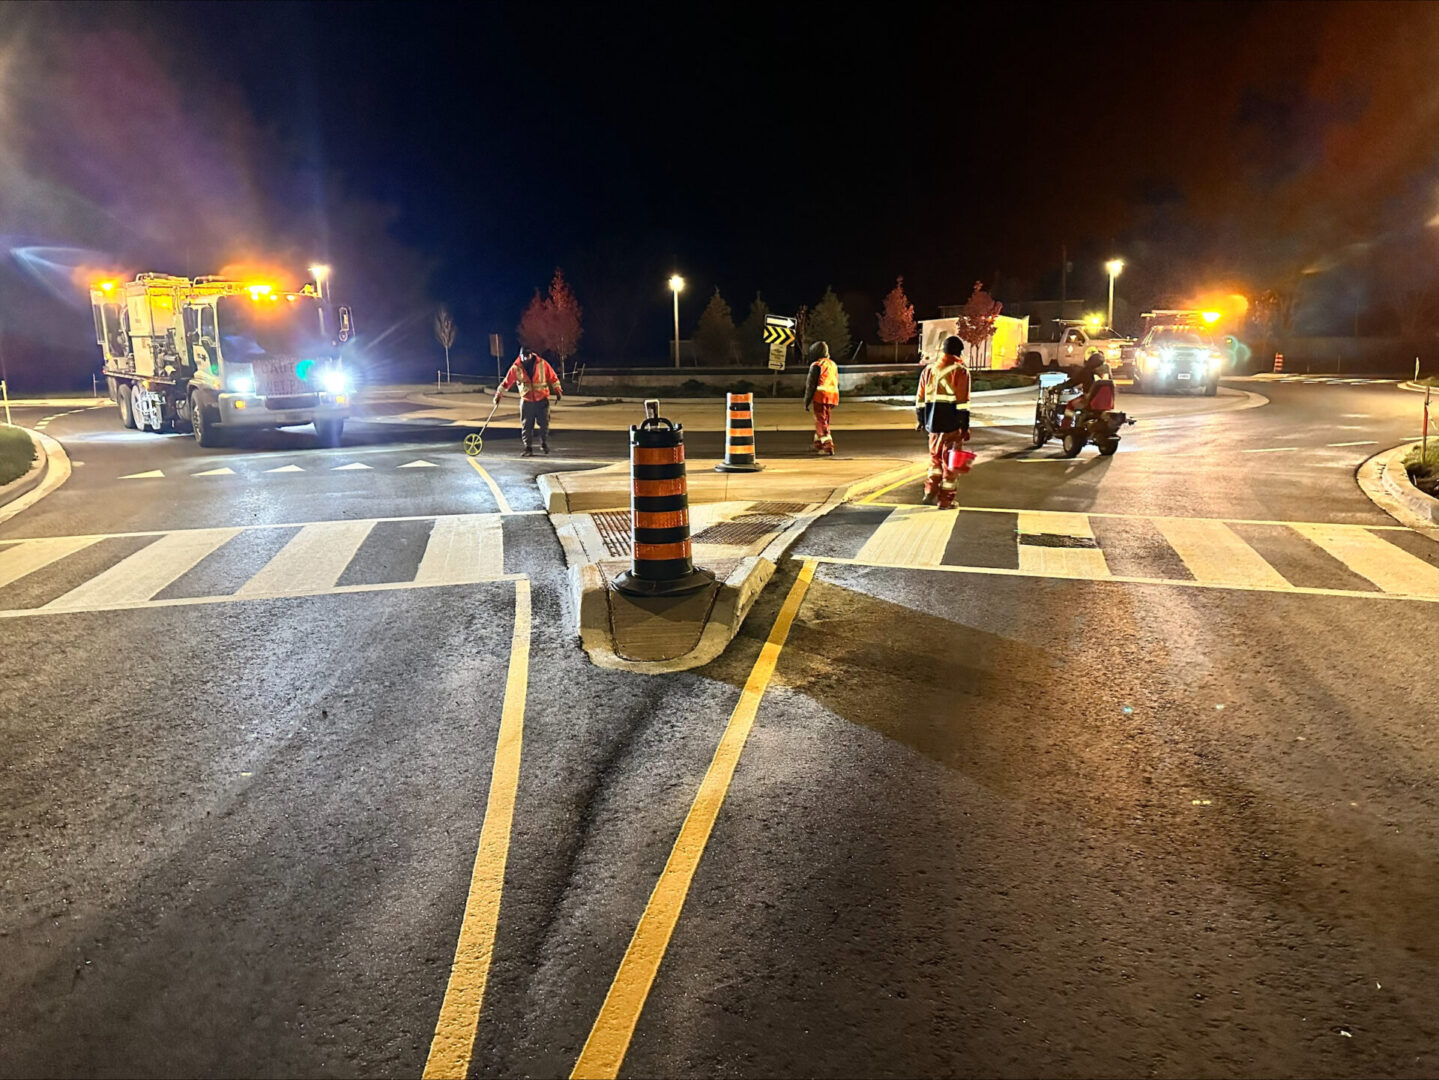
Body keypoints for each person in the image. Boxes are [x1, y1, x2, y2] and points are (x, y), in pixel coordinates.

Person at [914, 334, 971, 508]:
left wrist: (921, 420)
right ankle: (946, 500)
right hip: (952, 424)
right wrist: (964, 426)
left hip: (933, 423)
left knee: (935, 460)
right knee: (952, 463)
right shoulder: (961, 371)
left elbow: (920, 398)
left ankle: (930, 490)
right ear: (958, 352)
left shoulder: (929, 370)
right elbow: (962, 403)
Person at [495, 348, 562, 455]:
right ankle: (528, 448)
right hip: (527, 401)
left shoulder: (542, 364)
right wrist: (498, 395)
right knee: (527, 425)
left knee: (544, 424)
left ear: (531, 355)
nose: (526, 358)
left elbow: (553, 377)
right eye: (524, 356)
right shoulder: (516, 368)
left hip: (542, 400)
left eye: (528, 356)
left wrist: (558, 390)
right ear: (520, 355)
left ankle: (543, 443)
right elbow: (506, 383)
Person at [803, 341, 840, 455]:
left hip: (820, 396)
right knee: (824, 419)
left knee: (820, 421)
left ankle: (827, 444)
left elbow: (811, 385)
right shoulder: (832, 364)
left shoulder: (816, 365)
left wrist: (807, 401)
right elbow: (836, 381)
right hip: (832, 395)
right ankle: (818, 444)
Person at [1058, 351, 1107, 430]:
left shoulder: (1087, 371)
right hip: (1105, 402)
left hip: (1090, 400)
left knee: (1070, 405)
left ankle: (1065, 428)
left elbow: (1073, 382)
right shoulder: (1106, 372)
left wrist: (1059, 387)